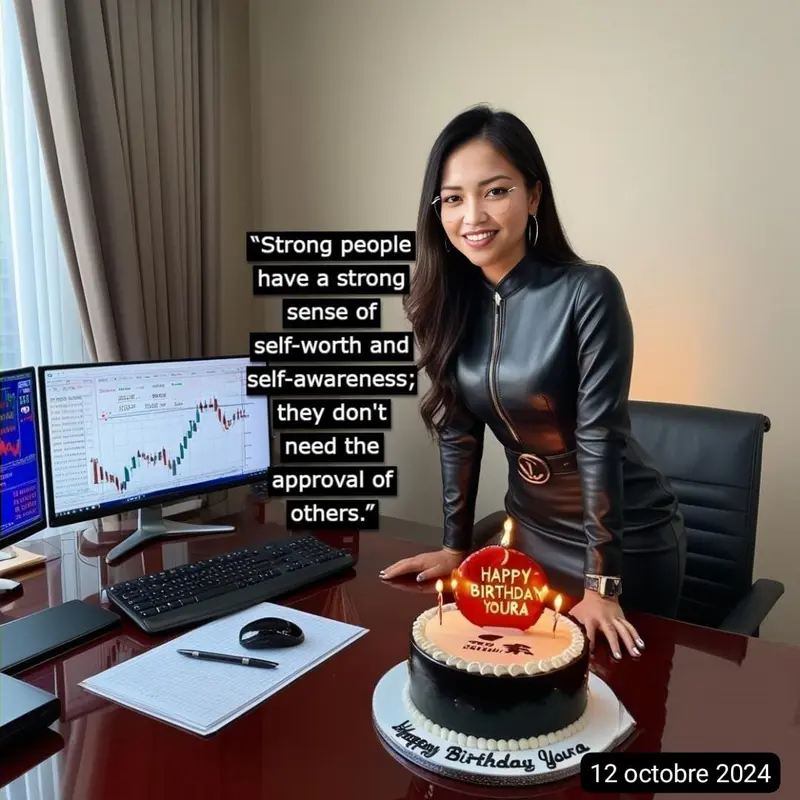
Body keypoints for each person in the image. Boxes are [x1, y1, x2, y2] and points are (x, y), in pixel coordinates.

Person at [380, 105, 687, 661]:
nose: (472, 214)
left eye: (495, 191)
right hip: (531, 535)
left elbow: (599, 438)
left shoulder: (588, 291)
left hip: (625, 543)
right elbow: (458, 431)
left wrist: (602, 584)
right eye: (452, 198)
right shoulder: (450, 303)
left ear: (533, 196)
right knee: (524, 694)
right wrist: (454, 545)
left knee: (621, 709)